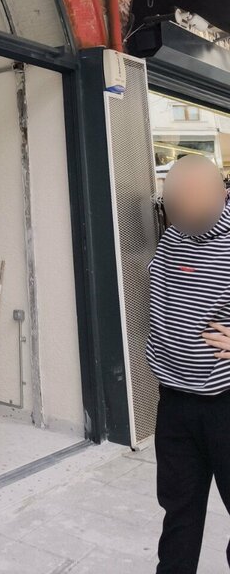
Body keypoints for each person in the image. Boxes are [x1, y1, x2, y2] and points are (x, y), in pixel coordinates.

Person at [147, 154, 230, 573]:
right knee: (178, 511)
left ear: (222, 195)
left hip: (225, 404)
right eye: (175, 209)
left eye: (191, 211)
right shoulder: (172, 236)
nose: (182, 220)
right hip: (175, 402)